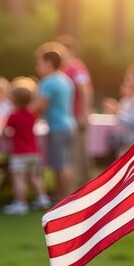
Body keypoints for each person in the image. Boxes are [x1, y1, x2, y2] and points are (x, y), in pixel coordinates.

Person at [2, 77, 52, 215]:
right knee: (34, 177)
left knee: (19, 178)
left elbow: (5, 131)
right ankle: (43, 199)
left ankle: (20, 203)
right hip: (34, 152)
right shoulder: (32, 114)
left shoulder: (13, 115)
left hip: (20, 153)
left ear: (13, 100)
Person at [36, 50, 77, 202]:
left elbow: (41, 106)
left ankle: (65, 199)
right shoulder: (65, 79)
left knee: (60, 165)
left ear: (48, 63)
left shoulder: (48, 82)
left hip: (57, 127)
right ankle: (64, 196)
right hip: (68, 124)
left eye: (39, 63)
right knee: (65, 163)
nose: (37, 67)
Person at [54, 35, 94, 186]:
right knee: (74, 153)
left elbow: (85, 90)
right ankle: (80, 185)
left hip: (78, 115)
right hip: (69, 117)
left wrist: (83, 114)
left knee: (79, 153)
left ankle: (81, 186)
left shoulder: (77, 67)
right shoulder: (64, 68)